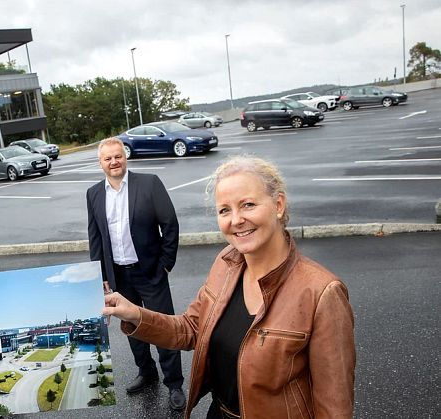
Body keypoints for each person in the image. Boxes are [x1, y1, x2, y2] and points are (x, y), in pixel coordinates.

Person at [103, 156, 356, 419]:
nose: (236, 220)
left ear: (278, 205)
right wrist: (133, 313)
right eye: (224, 210)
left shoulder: (322, 292)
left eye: (248, 205)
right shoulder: (226, 264)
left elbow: (334, 407)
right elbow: (191, 329)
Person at [86, 137, 186, 410]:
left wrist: (166, 262)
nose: (113, 162)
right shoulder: (94, 194)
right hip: (119, 275)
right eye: (107, 158)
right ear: (100, 163)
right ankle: (147, 372)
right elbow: (95, 238)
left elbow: (170, 224)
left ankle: (174, 383)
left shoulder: (149, 183)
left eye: (117, 156)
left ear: (124, 157)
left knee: (164, 327)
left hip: (150, 271)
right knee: (133, 328)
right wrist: (100, 275)